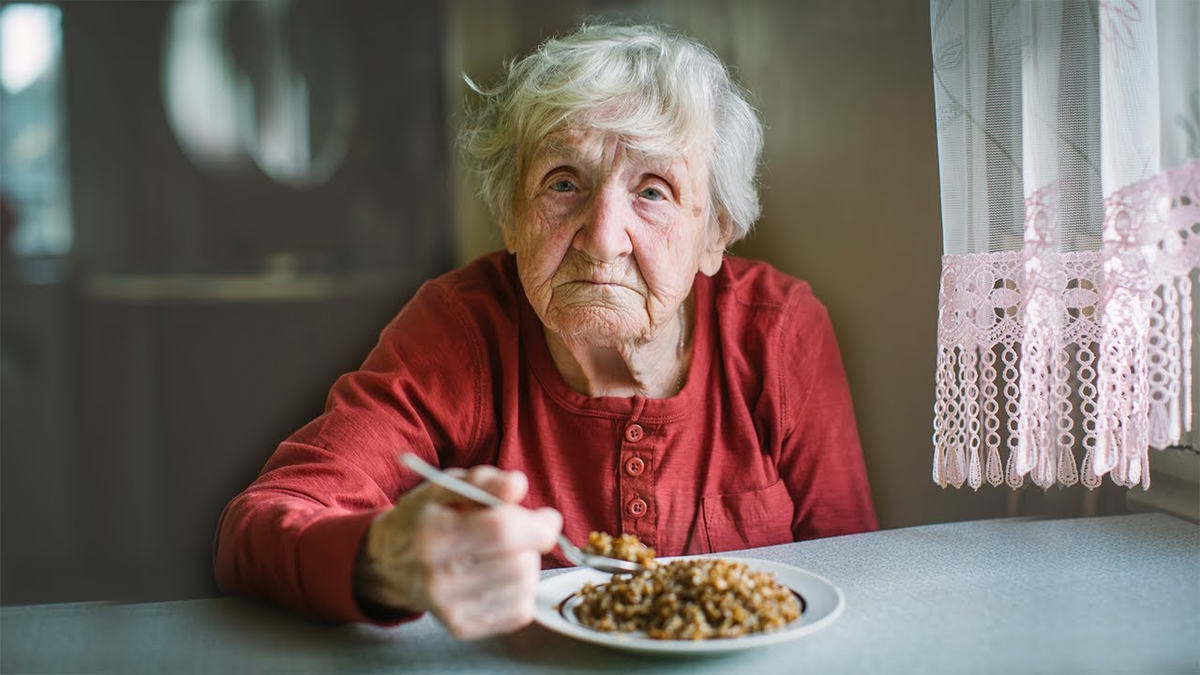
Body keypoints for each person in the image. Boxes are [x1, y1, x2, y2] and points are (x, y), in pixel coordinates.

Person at [214, 22, 877, 640]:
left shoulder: (781, 334)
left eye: (652, 191)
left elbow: (857, 578)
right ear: (510, 218)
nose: (601, 236)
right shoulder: (460, 329)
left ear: (715, 236)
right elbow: (259, 524)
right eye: (564, 183)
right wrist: (384, 561)